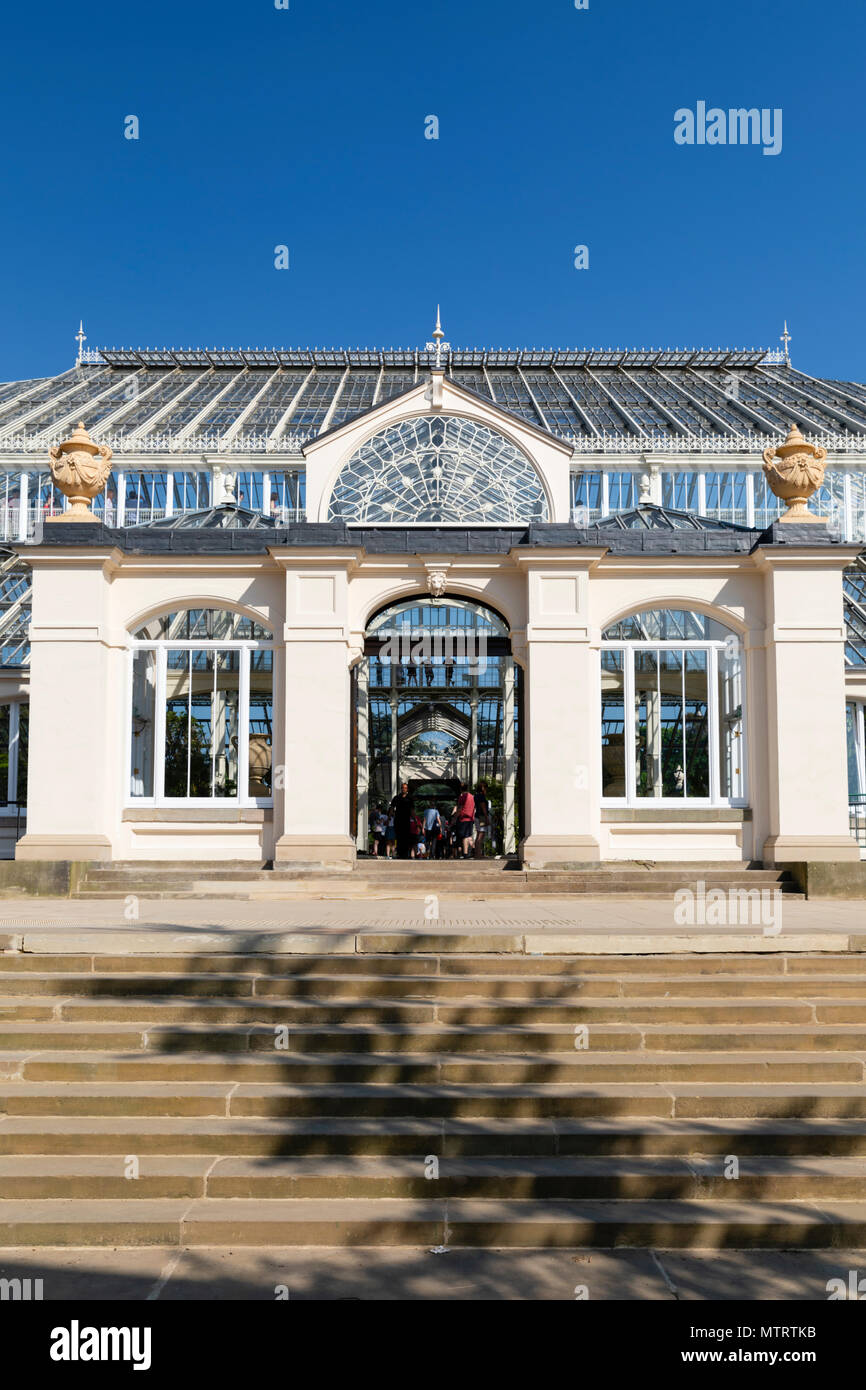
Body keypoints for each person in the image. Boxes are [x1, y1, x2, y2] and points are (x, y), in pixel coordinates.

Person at [389, 781, 414, 860]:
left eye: (405, 788)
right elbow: (392, 808)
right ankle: (399, 853)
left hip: (406, 820)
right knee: (399, 837)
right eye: (403, 788)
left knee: (406, 837)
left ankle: (405, 854)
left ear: (407, 789)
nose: (404, 789)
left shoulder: (410, 798)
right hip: (398, 820)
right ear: (401, 789)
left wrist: (416, 821)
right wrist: (390, 816)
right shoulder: (396, 798)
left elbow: (412, 810)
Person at [452, 782, 475, 859]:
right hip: (471, 819)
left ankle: (465, 853)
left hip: (463, 819)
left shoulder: (462, 797)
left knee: (464, 837)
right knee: (469, 835)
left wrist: (454, 818)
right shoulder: (472, 797)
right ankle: (474, 849)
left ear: (461, 789)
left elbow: (460, 809)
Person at [473, 781, 490, 859]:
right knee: (481, 835)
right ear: (483, 788)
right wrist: (487, 817)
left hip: (477, 816)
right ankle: (479, 854)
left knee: (478, 835)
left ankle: (477, 853)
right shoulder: (481, 796)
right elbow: (483, 807)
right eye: (485, 788)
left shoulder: (476, 796)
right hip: (482, 817)